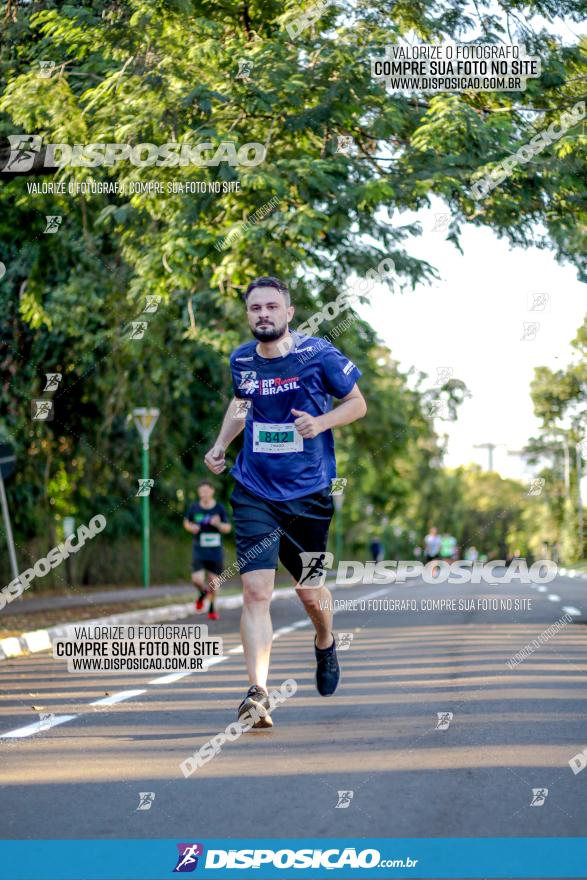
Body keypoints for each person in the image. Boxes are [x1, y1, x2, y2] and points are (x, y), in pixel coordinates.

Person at [204, 275, 367, 728]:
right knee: (256, 590)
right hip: (254, 490)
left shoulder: (319, 355)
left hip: (310, 496)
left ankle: (325, 638)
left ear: (289, 313)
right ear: (248, 315)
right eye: (255, 308)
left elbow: (357, 404)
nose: (264, 314)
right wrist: (220, 445)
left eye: (272, 307)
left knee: (309, 592)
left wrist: (321, 422)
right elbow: (241, 406)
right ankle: (257, 693)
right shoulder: (241, 360)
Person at [183, 480, 231, 620]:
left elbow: (227, 528)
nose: (203, 494)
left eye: (206, 491)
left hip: (215, 551)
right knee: (196, 580)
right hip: (199, 549)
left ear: (212, 491)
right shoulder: (194, 507)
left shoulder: (219, 508)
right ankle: (203, 594)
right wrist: (191, 528)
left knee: (214, 583)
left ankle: (212, 608)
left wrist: (218, 524)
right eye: (201, 492)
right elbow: (186, 522)